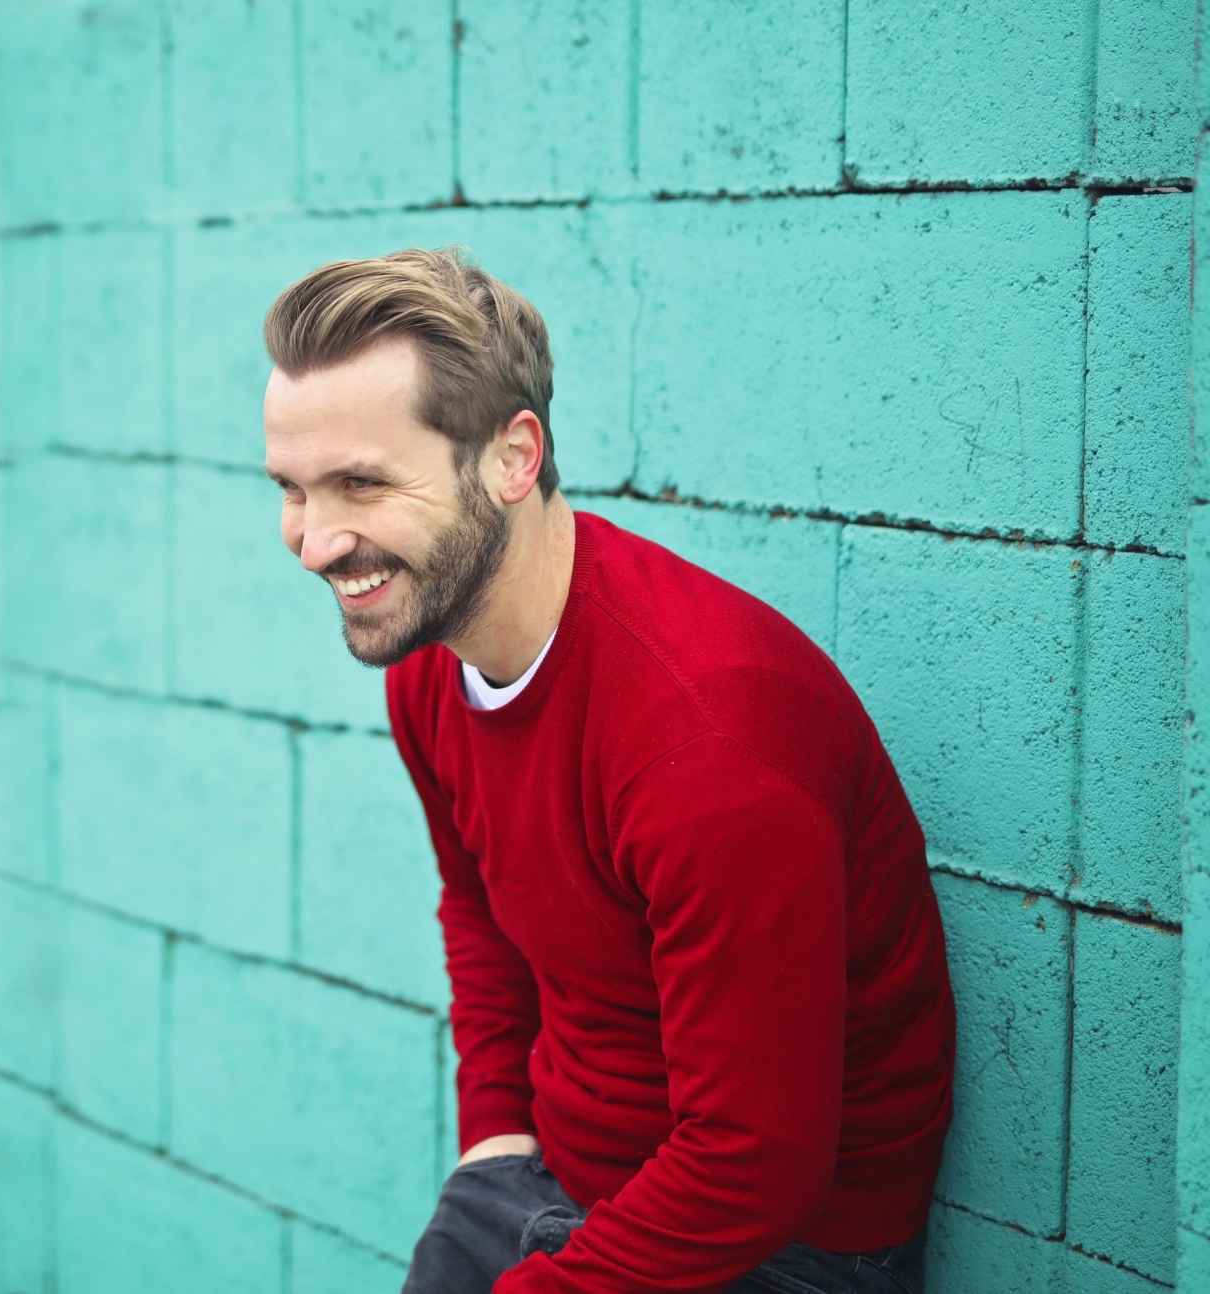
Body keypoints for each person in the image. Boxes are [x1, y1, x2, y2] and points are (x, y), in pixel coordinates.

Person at [258, 248, 956, 1294]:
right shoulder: (431, 666)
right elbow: (479, 908)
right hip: (550, 1173)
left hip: (780, 1248)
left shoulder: (706, 741)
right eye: (291, 490)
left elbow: (754, 1161)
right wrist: (492, 1127)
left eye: (359, 482)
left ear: (510, 456)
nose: (313, 542)